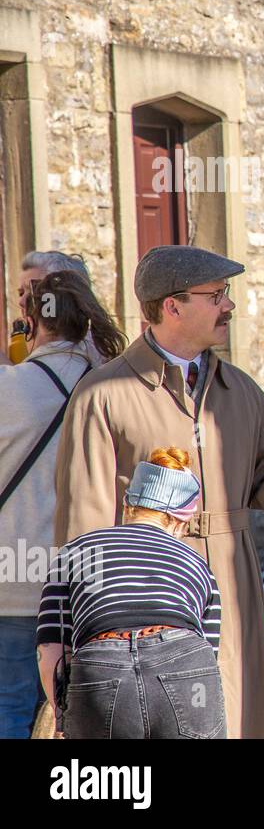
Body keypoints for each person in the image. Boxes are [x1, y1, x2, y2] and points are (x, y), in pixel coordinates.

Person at [54, 245, 264, 738]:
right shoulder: (102, 396)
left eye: (227, 294)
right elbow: (82, 529)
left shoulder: (239, 390)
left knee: (234, 716)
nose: (229, 307)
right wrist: (79, 633)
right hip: (146, 598)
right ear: (171, 306)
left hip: (232, 590)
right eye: (216, 295)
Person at [0, 270, 125, 739]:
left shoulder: (8, 388)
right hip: (90, 583)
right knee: (84, 713)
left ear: (30, 324)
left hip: (12, 581)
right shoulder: (114, 386)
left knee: (9, 704)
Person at [36, 448, 225, 739]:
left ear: (127, 504)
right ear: (180, 522)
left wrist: (65, 718)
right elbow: (206, 660)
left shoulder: (75, 552)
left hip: (101, 665)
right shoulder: (199, 566)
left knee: (114, 785)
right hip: (185, 663)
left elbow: (51, 652)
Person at [2, 251, 108, 367]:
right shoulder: (26, 341)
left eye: (35, 291)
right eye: (21, 293)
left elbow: (40, 381)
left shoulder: (88, 350)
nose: (21, 302)